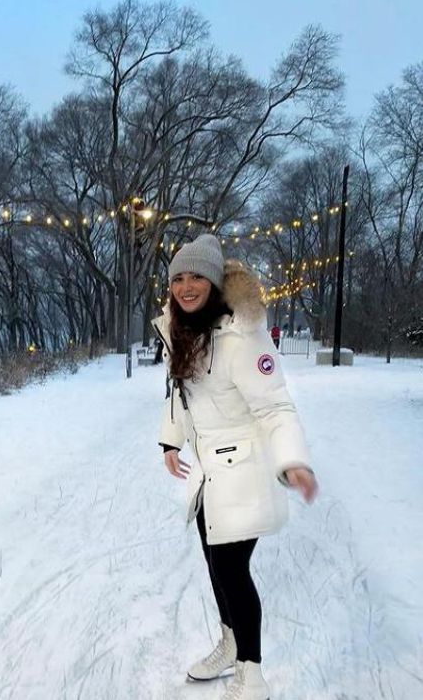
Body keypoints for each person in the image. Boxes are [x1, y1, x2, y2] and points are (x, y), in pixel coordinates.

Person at [155, 234, 318, 700]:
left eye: (196, 277)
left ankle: (253, 673)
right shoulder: (181, 328)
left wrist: (293, 461)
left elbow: (275, 408)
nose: (186, 287)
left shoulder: (241, 332)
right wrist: (171, 439)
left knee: (231, 571)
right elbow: (178, 392)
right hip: (210, 473)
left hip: (243, 470)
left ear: (214, 280)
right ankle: (229, 644)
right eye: (178, 278)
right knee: (214, 564)